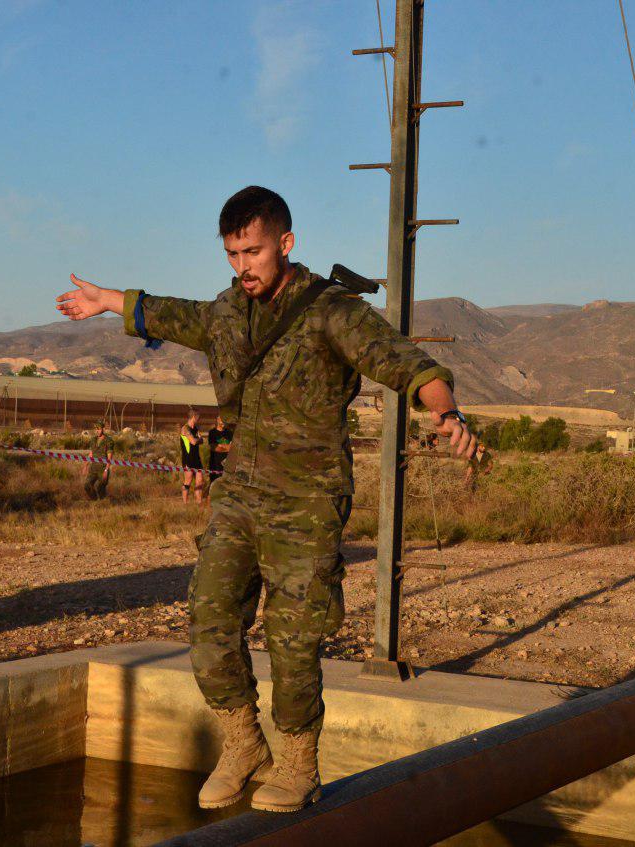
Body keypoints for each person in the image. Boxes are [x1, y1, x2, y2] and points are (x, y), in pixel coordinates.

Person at [56, 186, 474, 813]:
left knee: (293, 639)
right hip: (240, 495)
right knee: (208, 619)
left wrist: (445, 412)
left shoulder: (331, 311)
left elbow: (404, 362)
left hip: (307, 500)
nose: (242, 266)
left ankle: (299, 765)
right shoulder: (226, 313)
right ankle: (243, 744)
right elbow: (169, 313)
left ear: (286, 242)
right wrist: (106, 301)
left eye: (252, 252)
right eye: (232, 254)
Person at [179, 411, 205, 504]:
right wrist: (199, 439)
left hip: (196, 458)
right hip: (188, 458)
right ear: (194, 416)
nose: (199, 419)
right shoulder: (185, 428)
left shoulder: (196, 428)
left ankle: (199, 503)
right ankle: (185, 503)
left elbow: (201, 441)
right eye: (198, 417)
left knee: (200, 481)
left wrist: (199, 440)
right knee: (188, 481)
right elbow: (193, 441)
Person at [83, 420, 113, 500]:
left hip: (103, 468)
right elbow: (91, 454)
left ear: (103, 429)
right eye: (96, 429)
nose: (97, 431)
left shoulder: (108, 441)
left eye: (99, 429)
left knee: (100, 488)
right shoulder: (93, 440)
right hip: (93, 468)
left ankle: (103, 503)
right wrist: (85, 466)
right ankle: (94, 501)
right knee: (87, 486)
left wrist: (106, 470)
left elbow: (109, 457)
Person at [207, 416, 233, 493]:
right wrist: (226, 447)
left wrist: (221, 446)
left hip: (227, 463)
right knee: (214, 484)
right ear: (217, 420)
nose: (223, 422)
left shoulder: (229, 433)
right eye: (222, 420)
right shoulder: (212, 433)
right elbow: (214, 448)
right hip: (215, 463)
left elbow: (232, 447)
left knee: (226, 484)